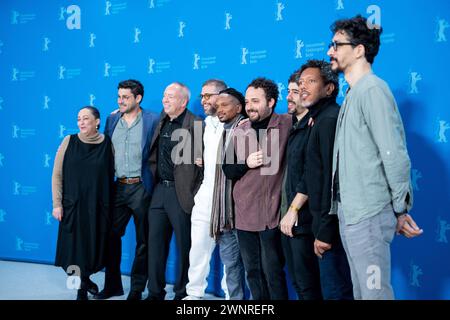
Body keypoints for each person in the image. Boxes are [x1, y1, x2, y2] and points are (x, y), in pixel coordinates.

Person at [327, 15, 423, 299]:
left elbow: (394, 154)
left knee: (374, 293)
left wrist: (400, 208)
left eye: (336, 44)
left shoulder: (373, 90)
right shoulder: (354, 94)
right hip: (352, 212)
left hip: (368, 213)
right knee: (363, 292)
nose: (330, 51)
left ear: (358, 50)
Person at [286, 59, 353, 300]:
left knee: (336, 291)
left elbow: (331, 181)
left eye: (311, 81)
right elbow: (313, 175)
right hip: (321, 224)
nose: (303, 87)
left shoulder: (328, 121)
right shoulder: (319, 119)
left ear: (329, 88)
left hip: (331, 229)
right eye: (301, 82)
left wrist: (325, 231)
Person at [223, 78, 290, 300]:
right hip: (245, 214)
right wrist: (247, 163)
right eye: (247, 100)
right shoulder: (241, 129)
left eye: (255, 101)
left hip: (272, 215)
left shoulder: (286, 124)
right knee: (252, 271)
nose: (249, 106)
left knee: (273, 271)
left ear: (270, 102)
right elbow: (228, 169)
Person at [96, 79, 159, 300]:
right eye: (119, 97)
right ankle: (112, 285)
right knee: (110, 237)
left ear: (138, 98)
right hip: (118, 187)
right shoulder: (112, 119)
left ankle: (136, 289)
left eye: (125, 97)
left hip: (142, 187)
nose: (120, 101)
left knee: (144, 242)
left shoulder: (153, 119)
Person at [184, 80, 246, 300]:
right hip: (205, 196)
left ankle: (232, 296)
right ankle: (194, 294)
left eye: (208, 96)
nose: (204, 100)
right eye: (201, 96)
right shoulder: (203, 125)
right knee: (198, 249)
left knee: (231, 256)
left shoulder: (239, 124)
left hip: (228, 199)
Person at [146, 82, 204, 300]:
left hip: (182, 194)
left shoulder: (196, 124)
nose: (165, 100)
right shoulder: (161, 120)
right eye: (164, 96)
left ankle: (182, 292)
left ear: (184, 101)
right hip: (159, 191)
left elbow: (203, 165)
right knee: (155, 246)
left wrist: (193, 192)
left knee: (185, 246)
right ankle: (154, 292)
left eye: (170, 96)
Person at [52, 106, 114, 300]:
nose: (81, 122)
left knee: (91, 248)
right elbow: (57, 174)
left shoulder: (107, 144)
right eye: (79, 118)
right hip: (73, 205)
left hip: (98, 207)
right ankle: (82, 286)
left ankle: (84, 282)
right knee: (73, 250)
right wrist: (57, 204)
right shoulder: (68, 141)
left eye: (86, 118)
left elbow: (113, 173)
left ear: (97, 121)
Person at [279, 70, 322, 300]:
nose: (289, 97)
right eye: (288, 91)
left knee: (308, 285)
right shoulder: (292, 127)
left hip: (303, 221)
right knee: (297, 280)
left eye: (295, 92)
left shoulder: (313, 127)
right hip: (287, 219)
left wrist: (293, 210)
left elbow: (310, 174)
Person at [209, 88, 248, 300]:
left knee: (253, 269)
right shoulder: (225, 131)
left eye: (225, 105)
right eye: (218, 105)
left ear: (239, 108)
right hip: (225, 216)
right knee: (231, 267)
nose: (219, 109)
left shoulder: (246, 129)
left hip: (243, 215)